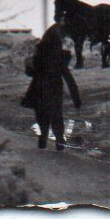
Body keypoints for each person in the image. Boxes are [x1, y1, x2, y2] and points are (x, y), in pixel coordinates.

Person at [22, 23, 80, 151]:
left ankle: (44, 138)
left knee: (42, 116)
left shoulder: (40, 57)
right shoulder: (58, 58)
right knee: (56, 116)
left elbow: (30, 72)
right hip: (54, 89)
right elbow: (68, 78)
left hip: (39, 89)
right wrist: (76, 98)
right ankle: (59, 140)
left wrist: (29, 65)